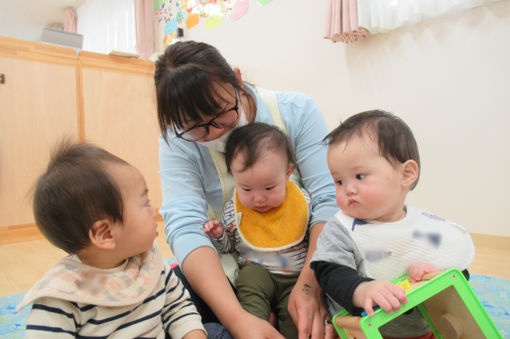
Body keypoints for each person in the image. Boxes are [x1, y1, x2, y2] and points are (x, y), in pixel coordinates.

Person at [154, 40, 338, 339]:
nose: (214, 132)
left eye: (220, 113)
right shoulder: (176, 141)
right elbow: (185, 227)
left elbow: (329, 199)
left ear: (237, 80)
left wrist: (309, 285)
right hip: (232, 273)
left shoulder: (296, 112)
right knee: (160, 297)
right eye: (195, 127)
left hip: (305, 263)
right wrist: (238, 319)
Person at [310, 110, 475, 338]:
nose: (348, 189)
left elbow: (459, 274)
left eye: (359, 176)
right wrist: (362, 289)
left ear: (406, 174)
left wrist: (436, 276)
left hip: (423, 330)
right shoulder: (341, 229)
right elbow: (329, 273)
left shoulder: (424, 227)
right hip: (363, 331)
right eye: (339, 181)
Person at [17, 141, 206, 339]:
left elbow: (178, 308)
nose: (154, 211)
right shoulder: (62, 296)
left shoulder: (150, 263)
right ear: (105, 234)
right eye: (145, 203)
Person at [203, 123, 311, 338]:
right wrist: (219, 235)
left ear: (288, 173)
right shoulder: (234, 209)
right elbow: (230, 246)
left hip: (295, 279)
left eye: (269, 188)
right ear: (234, 178)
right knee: (249, 281)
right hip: (257, 272)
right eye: (247, 189)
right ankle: (256, 325)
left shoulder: (302, 201)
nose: (258, 198)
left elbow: (315, 238)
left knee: (297, 319)